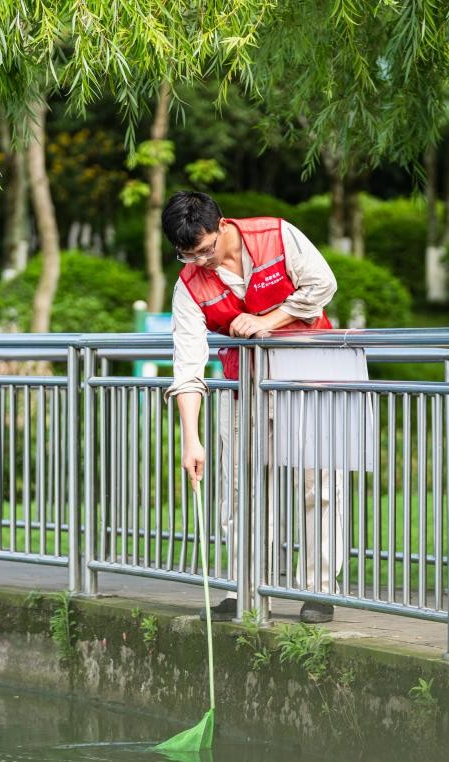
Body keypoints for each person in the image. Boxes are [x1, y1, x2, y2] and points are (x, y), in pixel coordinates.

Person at [162, 190, 345, 623]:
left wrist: (269, 320)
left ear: (222, 225)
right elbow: (187, 363)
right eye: (188, 255)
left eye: (205, 250)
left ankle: (317, 590)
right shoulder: (189, 284)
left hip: (308, 379)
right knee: (237, 489)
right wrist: (192, 439)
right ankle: (244, 587)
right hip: (242, 386)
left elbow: (323, 285)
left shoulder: (276, 235)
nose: (201, 262)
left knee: (317, 484)